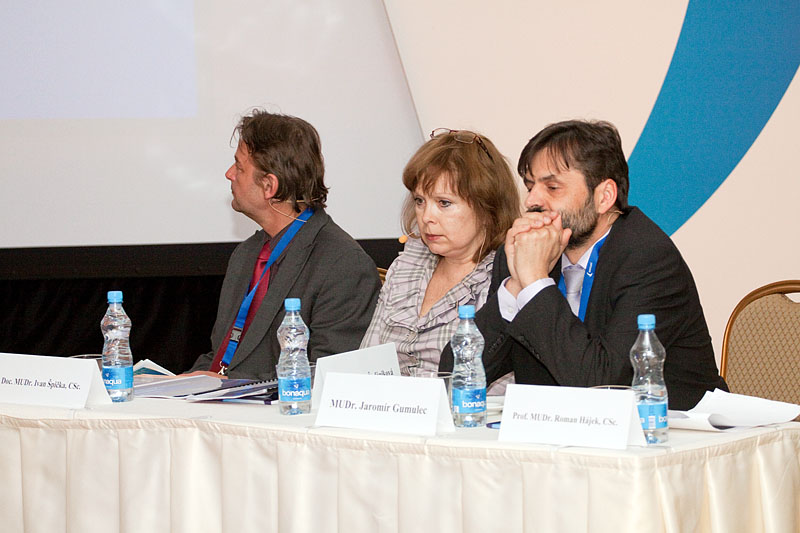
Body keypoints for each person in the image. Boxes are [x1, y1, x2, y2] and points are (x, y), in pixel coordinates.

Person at [440, 120, 726, 410]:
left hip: (671, 430)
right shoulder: (522, 254)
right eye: (530, 186)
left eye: (552, 187)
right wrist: (516, 285)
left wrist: (535, 283)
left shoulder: (648, 258)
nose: (531, 201)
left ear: (604, 197)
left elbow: (603, 385)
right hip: (556, 430)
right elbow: (454, 376)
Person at [187, 110, 381, 380]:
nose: (229, 174)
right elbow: (224, 358)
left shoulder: (344, 265)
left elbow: (328, 378)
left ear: (269, 186)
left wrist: (229, 387)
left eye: (239, 167)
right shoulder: (246, 254)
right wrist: (174, 384)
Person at [360, 128, 520, 382]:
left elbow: (498, 385)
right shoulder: (405, 266)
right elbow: (366, 363)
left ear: (487, 207)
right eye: (420, 201)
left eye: (444, 203)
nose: (426, 217)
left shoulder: (506, 278)